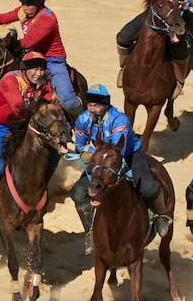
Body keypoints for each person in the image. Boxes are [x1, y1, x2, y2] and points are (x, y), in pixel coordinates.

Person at [69, 84, 171, 254]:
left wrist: (94, 153)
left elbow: (118, 150)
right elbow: (79, 145)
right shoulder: (83, 119)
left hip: (129, 153)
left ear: (106, 105)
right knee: (78, 192)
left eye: (97, 105)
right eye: (89, 105)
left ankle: (161, 216)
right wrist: (87, 153)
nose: (92, 109)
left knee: (147, 187)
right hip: (101, 159)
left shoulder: (119, 119)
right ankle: (90, 232)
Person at [0, 0, 85, 119]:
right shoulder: (24, 12)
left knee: (67, 102)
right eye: (23, 4)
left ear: (38, 5)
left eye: (29, 5)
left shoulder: (47, 18)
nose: (25, 7)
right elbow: (3, 18)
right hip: (31, 56)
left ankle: (82, 120)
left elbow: (30, 41)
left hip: (52, 60)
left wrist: (5, 44)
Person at [0, 51, 58, 207]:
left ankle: (41, 187)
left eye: (41, 69)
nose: (38, 73)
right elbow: (19, 109)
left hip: (23, 125)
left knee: (54, 152)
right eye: (34, 69)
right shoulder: (10, 80)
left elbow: (50, 107)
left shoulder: (43, 82)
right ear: (25, 69)